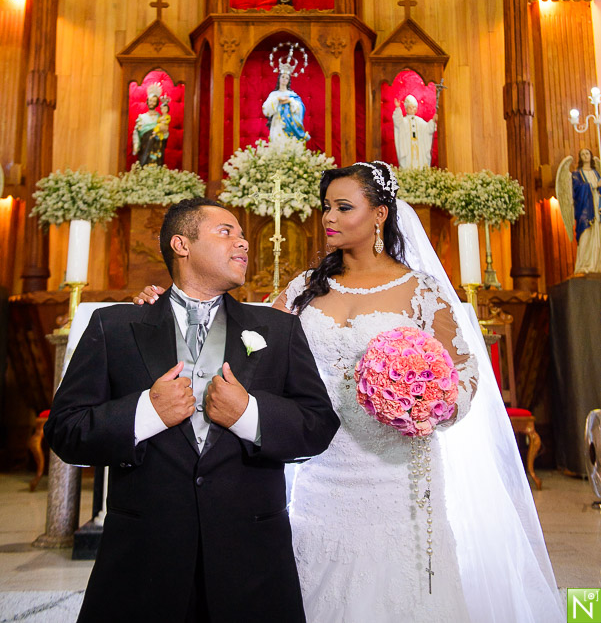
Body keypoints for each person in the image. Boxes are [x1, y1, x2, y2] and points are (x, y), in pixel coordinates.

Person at [136, 166, 563, 622]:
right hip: (325, 467)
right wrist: (176, 305)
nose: (327, 218)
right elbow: (246, 341)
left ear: (379, 214)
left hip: (399, 467)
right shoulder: (304, 288)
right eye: (326, 208)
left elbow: (464, 374)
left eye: (343, 207)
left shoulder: (422, 291)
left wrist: (430, 407)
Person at [45, 197, 339, 623]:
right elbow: (65, 432)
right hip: (143, 565)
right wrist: (145, 411)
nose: (243, 243)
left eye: (243, 235)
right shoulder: (115, 327)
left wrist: (248, 415)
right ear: (182, 244)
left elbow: (318, 427)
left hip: (252, 566)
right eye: (227, 232)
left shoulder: (279, 329)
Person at [572, 147, 601, 273]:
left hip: (597, 208)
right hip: (585, 210)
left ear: (591, 156)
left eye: (587, 153)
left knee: (597, 237)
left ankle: (596, 264)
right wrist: (594, 186)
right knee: (585, 237)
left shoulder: (596, 173)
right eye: (582, 154)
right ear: (580, 158)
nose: (585, 156)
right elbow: (577, 191)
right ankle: (584, 264)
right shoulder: (577, 174)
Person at [262, 68, 309, 144]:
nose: (284, 79)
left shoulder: (293, 95)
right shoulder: (274, 94)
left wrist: (291, 101)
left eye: (287, 78)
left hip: (290, 124)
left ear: (288, 81)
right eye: (283, 77)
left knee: (289, 145)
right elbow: (266, 110)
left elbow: (300, 108)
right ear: (279, 78)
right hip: (277, 123)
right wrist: (277, 100)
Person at [393, 94, 437, 169]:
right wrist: (397, 108)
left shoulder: (420, 121)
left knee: (420, 163)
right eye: (410, 108)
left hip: (419, 149)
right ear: (406, 109)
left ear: (416, 109)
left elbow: (428, 129)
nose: (412, 109)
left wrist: (433, 120)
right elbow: (397, 121)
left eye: (414, 107)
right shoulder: (403, 121)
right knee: (408, 164)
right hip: (408, 149)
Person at [132, 82, 162, 166]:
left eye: (154, 101)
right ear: (147, 102)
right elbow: (136, 133)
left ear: (156, 103)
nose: (152, 103)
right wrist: (136, 145)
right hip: (144, 146)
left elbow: (163, 133)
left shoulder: (160, 118)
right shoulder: (142, 117)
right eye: (150, 101)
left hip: (156, 146)